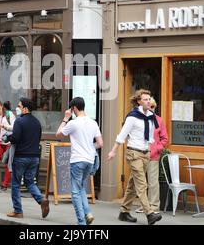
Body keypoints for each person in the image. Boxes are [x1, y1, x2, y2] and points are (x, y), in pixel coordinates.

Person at [107, 89, 162, 225]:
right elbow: (122, 135)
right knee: (142, 184)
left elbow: (150, 137)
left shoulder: (151, 116)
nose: (148, 101)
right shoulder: (132, 117)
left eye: (149, 99)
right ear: (138, 101)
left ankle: (124, 212)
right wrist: (113, 151)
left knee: (132, 184)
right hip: (134, 153)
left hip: (145, 154)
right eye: (145, 99)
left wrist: (150, 150)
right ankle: (149, 214)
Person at [56, 97, 103, 225]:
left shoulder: (73, 123)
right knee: (81, 187)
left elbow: (58, 134)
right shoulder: (93, 123)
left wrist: (66, 118)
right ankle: (87, 213)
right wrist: (88, 147)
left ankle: (81, 222)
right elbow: (100, 143)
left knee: (75, 192)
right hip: (89, 160)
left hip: (77, 160)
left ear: (74, 108)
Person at [6, 97, 49, 219]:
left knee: (15, 184)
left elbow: (15, 138)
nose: (17, 108)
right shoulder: (37, 122)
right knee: (30, 182)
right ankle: (41, 199)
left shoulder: (19, 121)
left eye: (19, 106)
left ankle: (18, 211)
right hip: (34, 157)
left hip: (21, 157)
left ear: (25, 108)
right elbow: (38, 138)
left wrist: (7, 138)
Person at [135, 97, 168, 214]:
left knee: (152, 183)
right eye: (149, 106)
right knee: (141, 182)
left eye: (153, 107)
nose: (151, 109)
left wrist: (157, 149)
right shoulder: (139, 119)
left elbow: (165, 139)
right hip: (140, 154)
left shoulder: (159, 120)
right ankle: (144, 205)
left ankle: (153, 206)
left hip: (153, 155)